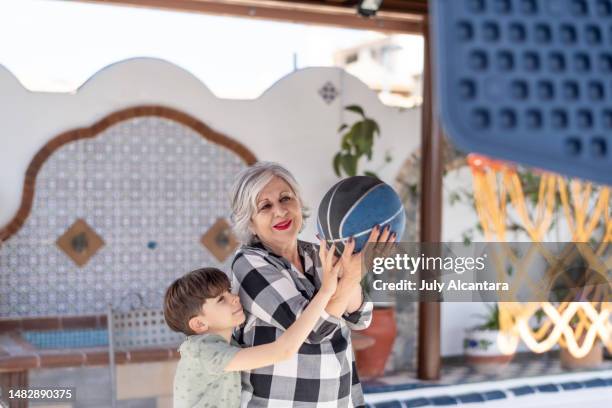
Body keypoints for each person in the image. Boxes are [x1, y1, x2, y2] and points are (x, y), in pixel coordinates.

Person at [230, 162, 395, 407]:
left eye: (286, 198)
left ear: (298, 202)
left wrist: (355, 265)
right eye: (265, 206)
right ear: (250, 222)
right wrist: (350, 276)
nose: (280, 211)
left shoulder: (319, 254)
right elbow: (312, 331)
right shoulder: (249, 264)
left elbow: (360, 317)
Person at [163, 244, 340, 408]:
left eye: (229, 291)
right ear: (199, 323)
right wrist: (325, 292)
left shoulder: (224, 345)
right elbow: (283, 350)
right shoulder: (203, 351)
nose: (235, 297)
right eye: (221, 299)